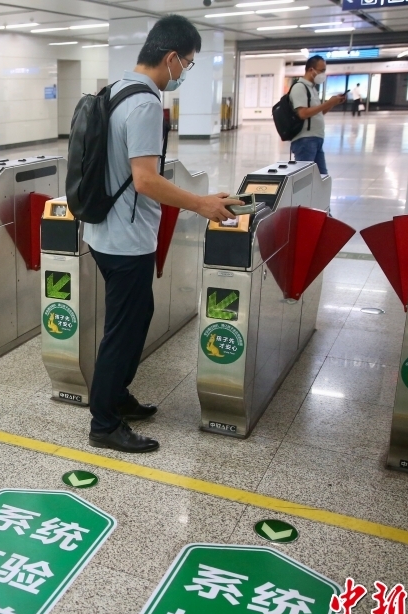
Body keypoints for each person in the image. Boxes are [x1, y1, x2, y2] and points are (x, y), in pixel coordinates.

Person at [83, 14, 242, 454]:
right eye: (187, 64)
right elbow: (145, 180)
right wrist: (203, 204)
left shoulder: (115, 90)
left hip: (102, 231)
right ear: (171, 57)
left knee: (134, 320)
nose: (184, 73)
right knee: (124, 329)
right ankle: (104, 423)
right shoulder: (146, 103)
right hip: (126, 238)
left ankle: (116, 397)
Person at [289, 55, 345, 175]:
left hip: (316, 139)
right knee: (305, 179)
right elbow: (303, 113)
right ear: (311, 70)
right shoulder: (299, 87)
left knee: (321, 178)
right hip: (305, 140)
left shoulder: (312, 88)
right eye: (322, 70)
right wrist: (328, 103)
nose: (323, 74)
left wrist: (332, 103)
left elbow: (318, 113)